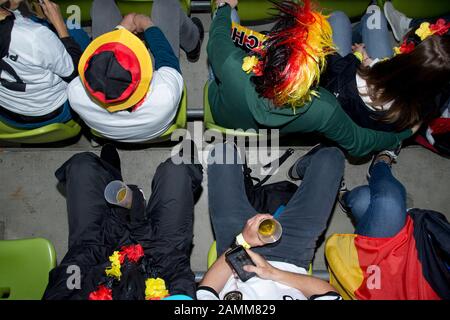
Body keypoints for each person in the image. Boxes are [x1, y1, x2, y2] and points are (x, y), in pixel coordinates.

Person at [207, 0, 413, 158]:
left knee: (228, 18)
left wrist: (225, 6)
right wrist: (400, 135)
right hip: (278, 131)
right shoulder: (323, 107)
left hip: (222, 112)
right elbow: (359, 142)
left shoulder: (232, 64)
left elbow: (217, 36)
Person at [43, 144, 203, 300]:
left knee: (82, 166)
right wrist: (139, 226)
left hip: (97, 254)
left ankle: (110, 174)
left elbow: (71, 274)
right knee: (177, 170)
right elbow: (177, 274)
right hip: (162, 259)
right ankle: (190, 163)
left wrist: (115, 223)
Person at [197, 143, 344, 300]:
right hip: (293, 254)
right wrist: (272, 273)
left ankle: (240, 179)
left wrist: (242, 241)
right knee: (331, 157)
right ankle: (300, 167)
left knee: (222, 154)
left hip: (237, 255)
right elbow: (329, 294)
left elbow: (207, 288)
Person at [68, 0, 204, 142]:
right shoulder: (164, 94)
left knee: (101, 5)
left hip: (110, 133)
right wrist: (147, 25)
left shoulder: (75, 93)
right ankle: (193, 46)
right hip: (156, 131)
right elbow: (166, 58)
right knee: (166, 4)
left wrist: (121, 29)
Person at [326, 150, 450, 300]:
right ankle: (345, 197)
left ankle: (380, 163)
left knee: (383, 201)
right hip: (427, 259)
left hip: (391, 287)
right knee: (363, 199)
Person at [324, 3, 450, 133]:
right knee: (375, 12)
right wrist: (367, 59)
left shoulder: (354, 81)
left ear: (405, 59)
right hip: (375, 88)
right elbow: (387, 79)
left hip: (344, 86)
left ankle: (353, 33)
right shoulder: (428, 103)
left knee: (339, 17)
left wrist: (357, 56)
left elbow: (340, 67)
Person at [0, 0, 83, 129]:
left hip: (6, 113)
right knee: (75, 31)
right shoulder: (34, 35)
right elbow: (74, 72)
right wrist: (59, 24)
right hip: (49, 113)